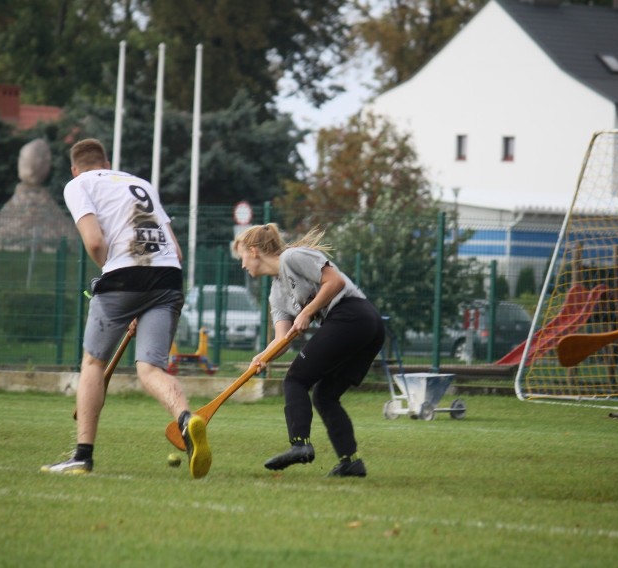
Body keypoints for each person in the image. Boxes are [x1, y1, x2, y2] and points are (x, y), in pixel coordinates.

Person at [41, 138, 211, 478]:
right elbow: (175, 250)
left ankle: (82, 455)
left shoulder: (78, 185)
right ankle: (186, 418)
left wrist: (112, 273)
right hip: (168, 279)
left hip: (123, 276)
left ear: (75, 168)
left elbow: (94, 241)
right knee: (150, 368)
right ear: (107, 161)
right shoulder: (140, 183)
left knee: (93, 362)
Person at [232, 223, 385, 477]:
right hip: (360, 326)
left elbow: (334, 281)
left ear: (254, 250)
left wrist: (307, 312)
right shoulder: (275, 294)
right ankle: (351, 462)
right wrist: (262, 357)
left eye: (242, 257)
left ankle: (300, 445)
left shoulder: (293, 257)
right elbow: (283, 338)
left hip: (354, 315)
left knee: (295, 379)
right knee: (324, 395)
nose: (242, 265)